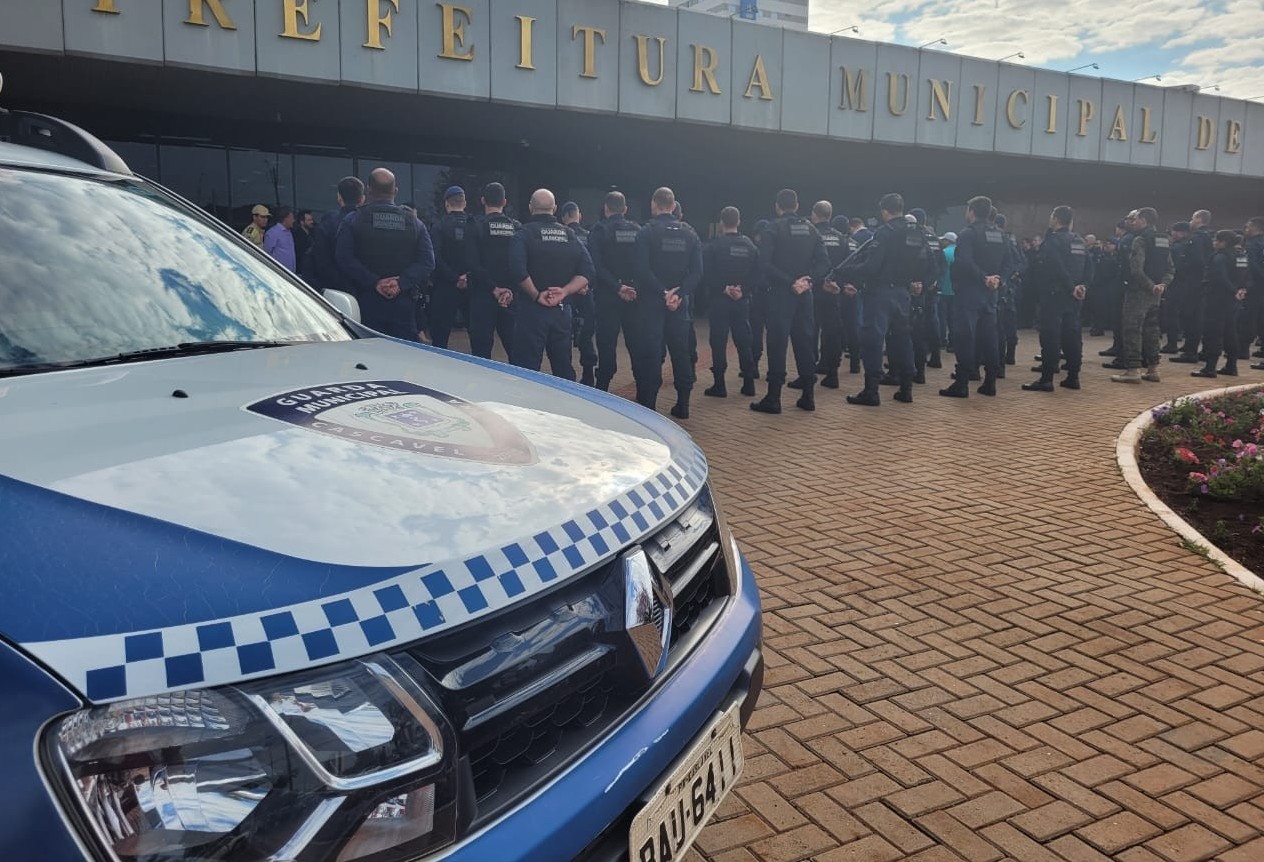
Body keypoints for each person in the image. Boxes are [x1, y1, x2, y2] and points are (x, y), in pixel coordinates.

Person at [834, 193, 930, 406]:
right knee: (903, 340)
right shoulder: (917, 233)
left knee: (873, 341)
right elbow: (925, 263)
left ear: (885, 211)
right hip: (903, 294)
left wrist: (846, 272)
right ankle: (906, 389)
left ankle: (871, 391)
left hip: (881, 294)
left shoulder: (885, 233)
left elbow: (871, 267)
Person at [752, 188, 829, 414]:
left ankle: (773, 398)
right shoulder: (811, 229)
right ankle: (808, 396)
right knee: (805, 343)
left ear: (778, 206)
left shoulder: (772, 229)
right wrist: (807, 281)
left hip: (779, 294)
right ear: (796, 206)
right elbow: (824, 264)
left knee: (777, 344)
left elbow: (764, 264)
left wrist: (789, 282)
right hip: (805, 294)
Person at [335, 168, 435, 341]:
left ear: (368, 189)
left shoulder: (353, 220)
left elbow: (344, 258)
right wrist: (400, 282)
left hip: (365, 304)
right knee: (402, 360)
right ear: (395, 191)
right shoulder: (414, 222)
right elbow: (427, 262)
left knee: (369, 359)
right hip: (403, 305)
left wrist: (374, 282)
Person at [507, 189, 594, 377]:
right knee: (563, 368)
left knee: (526, 370)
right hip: (561, 311)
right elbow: (588, 272)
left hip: (531, 311)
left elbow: (517, 270)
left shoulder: (523, 234)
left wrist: (536, 295)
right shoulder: (570, 235)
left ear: (531, 207)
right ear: (554, 209)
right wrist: (564, 292)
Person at [634, 187, 703, 418]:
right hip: (679, 303)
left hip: (652, 302)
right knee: (681, 353)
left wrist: (662, 292)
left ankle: (648, 407)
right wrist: (679, 294)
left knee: (651, 354)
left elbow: (641, 270)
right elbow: (697, 272)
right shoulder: (690, 234)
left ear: (654, 205)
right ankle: (683, 405)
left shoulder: (646, 232)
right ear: (673, 206)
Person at [942, 195, 1005, 398]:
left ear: (971, 211)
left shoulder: (968, 233)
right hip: (990, 293)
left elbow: (963, 262)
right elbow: (1012, 261)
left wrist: (983, 277)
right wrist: (998, 279)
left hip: (970, 292)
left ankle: (961, 384)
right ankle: (990, 382)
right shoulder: (999, 234)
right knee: (989, 337)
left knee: (965, 337)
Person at [1023, 206, 1092, 392]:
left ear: (1056, 219)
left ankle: (1046, 379)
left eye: (1051, 216)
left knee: (1050, 336)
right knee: (1072, 336)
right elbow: (1089, 266)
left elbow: (1056, 266)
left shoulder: (1053, 241)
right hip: (1075, 296)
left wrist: (1071, 287)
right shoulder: (1078, 241)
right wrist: (1082, 286)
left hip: (1055, 295)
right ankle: (1073, 377)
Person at [702, 206, 759, 398]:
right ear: (739, 221)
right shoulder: (750, 246)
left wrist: (724, 289)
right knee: (743, 341)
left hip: (720, 301)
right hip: (742, 301)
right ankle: (749, 384)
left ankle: (719, 385)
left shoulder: (713, 246)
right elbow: (757, 275)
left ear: (721, 223)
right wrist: (743, 290)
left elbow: (706, 273)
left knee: (718, 342)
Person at [1112, 207, 1172, 384]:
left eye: (1136, 219)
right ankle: (1153, 369)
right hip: (1156, 294)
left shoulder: (1140, 240)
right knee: (1152, 330)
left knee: (1132, 329)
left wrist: (1150, 286)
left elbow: (1136, 269)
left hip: (1139, 292)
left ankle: (1133, 370)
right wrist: (1162, 285)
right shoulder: (1164, 240)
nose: (1132, 222)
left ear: (1144, 220)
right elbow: (1170, 268)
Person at [588, 191, 641, 391]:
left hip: (608, 296)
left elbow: (596, 266)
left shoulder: (599, 231)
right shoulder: (638, 230)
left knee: (606, 343)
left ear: (605, 208)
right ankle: (643, 388)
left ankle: (602, 389)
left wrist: (617, 287)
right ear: (625, 209)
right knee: (635, 343)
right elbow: (643, 263)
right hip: (633, 296)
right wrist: (631, 286)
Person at [467, 182, 519, 360]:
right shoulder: (517, 228)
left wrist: (494, 289)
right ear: (504, 202)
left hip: (482, 295)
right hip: (512, 296)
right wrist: (509, 290)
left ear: (483, 201)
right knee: (516, 352)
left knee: (481, 354)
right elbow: (521, 263)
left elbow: (472, 263)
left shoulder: (475, 225)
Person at [809, 201, 854, 389]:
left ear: (814, 214)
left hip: (813, 289)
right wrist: (838, 284)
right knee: (832, 332)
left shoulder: (811, 235)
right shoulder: (842, 238)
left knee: (810, 331)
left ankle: (809, 373)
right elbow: (847, 265)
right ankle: (832, 373)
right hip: (834, 290)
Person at [1192, 230, 1248, 378]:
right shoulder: (1241, 256)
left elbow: (1220, 277)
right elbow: (1246, 276)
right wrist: (1240, 290)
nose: (1214, 243)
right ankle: (1231, 366)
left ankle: (1210, 367)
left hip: (1217, 299)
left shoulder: (1220, 257)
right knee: (1230, 332)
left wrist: (1232, 290)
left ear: (1223, 242)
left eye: (1216, 240)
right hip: (1234, 300)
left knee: (1213, 333)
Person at [428, 186, 474, 349]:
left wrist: (454, 278)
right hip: (472, 286)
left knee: (440, 338)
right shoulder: (474, 225)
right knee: (478, 338)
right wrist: (467, 277)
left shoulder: (438, 227)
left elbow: (435, 258)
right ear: (465, 203)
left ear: (447, 204)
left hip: (445, 287)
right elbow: (479, 257)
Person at [560, 201, 598, 386]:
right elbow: (595, 264)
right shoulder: (589, 237)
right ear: (579, 215)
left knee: (564, 333)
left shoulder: (562, 236)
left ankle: (566, 374)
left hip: (567, 292)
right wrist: (586, 284)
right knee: (586, 334)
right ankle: (589, 373)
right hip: (585, 292)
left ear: (564, 217)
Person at [306, 176, 365, 295]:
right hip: (365, 290)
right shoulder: (369, 223)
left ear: (339, 197)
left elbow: (320, 261)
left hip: (332, 292)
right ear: (362, 199)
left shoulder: (328, 223)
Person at [909, 207, 946, 378]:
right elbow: (941, 264)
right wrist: (934, 281)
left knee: (916, 326)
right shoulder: (936, 239)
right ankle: (936, 357)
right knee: (933, 321)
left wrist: (921, 283)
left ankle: (915, 364)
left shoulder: (916, 237)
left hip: (917, 288)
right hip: (932, 286)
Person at [834, 214, 863, 374]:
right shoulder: (856, 244)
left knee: (835, 327)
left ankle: (833, 363)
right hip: (852, 290)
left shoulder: (839, 244)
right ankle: (855, 363)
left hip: (838, 289)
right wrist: (855, 286)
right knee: (852, 327)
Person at [1162, 222, 1193, 355]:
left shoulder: (1178, 247)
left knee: (1172, 313)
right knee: (1186, 315)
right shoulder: (1190, 245)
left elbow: (1173, 266)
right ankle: (1185, 343)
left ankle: (1172, 343)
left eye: (1175, 231)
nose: (1172, 234)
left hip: (1176, 283)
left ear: (1183, 232)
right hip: (1188, 283)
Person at [1248, 217, 1264, 370]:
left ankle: (1242, 349)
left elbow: (1253, 266)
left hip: (1256, 287)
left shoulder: (1253, 244)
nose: (1246, 229)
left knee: (1254, 318)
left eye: (1248, 226)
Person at [263, 206, 297, 272]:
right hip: (278, 273)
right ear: (285, 219)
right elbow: (267, 254)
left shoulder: (289, 232)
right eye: (292, 218)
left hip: (290, 274)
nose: (294, 221)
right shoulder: (273, 233)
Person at [940, 232, 957, 350]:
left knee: (942, 317)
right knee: (954, 318)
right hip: (957, 290)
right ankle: (953, 341)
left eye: (944, 240)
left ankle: (942, 340)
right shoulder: (960, 252)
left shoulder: (945, 253)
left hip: (944, 289)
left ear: (948, 241)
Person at [292, 209, 315, 275]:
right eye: (309, 220)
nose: (312, 222)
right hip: (301, 270)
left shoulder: (313, 233)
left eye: (312, 219)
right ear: (302, 222)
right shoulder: (297, 236)